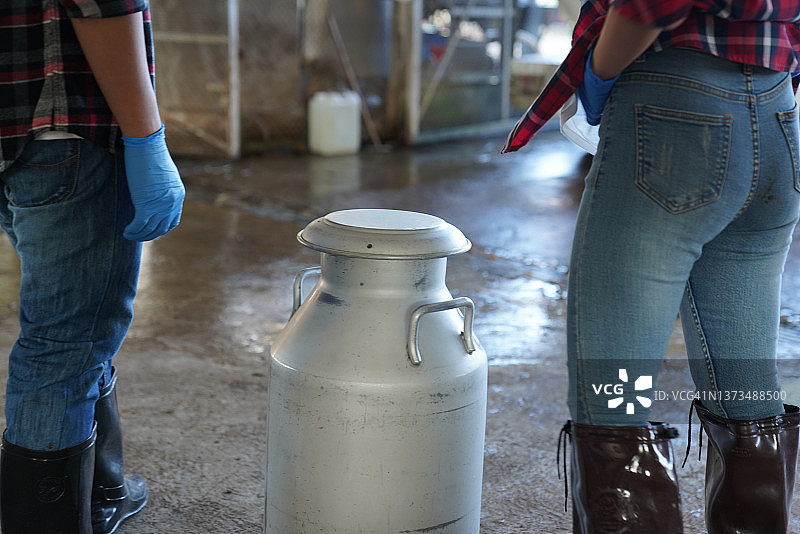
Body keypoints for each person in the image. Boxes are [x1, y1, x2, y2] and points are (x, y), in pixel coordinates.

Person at [505, 0, 800, 532]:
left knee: (614, 392)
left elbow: (651, 5)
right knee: (747, 391)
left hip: (673, 112)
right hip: (779, 118)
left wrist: (597, 74)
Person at [0, 1, 185, 533]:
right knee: (66, 343)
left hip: (13, 133)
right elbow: (101, 4)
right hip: (62, 131)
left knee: (82, 316)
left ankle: (100, 491)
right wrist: (146, 137)